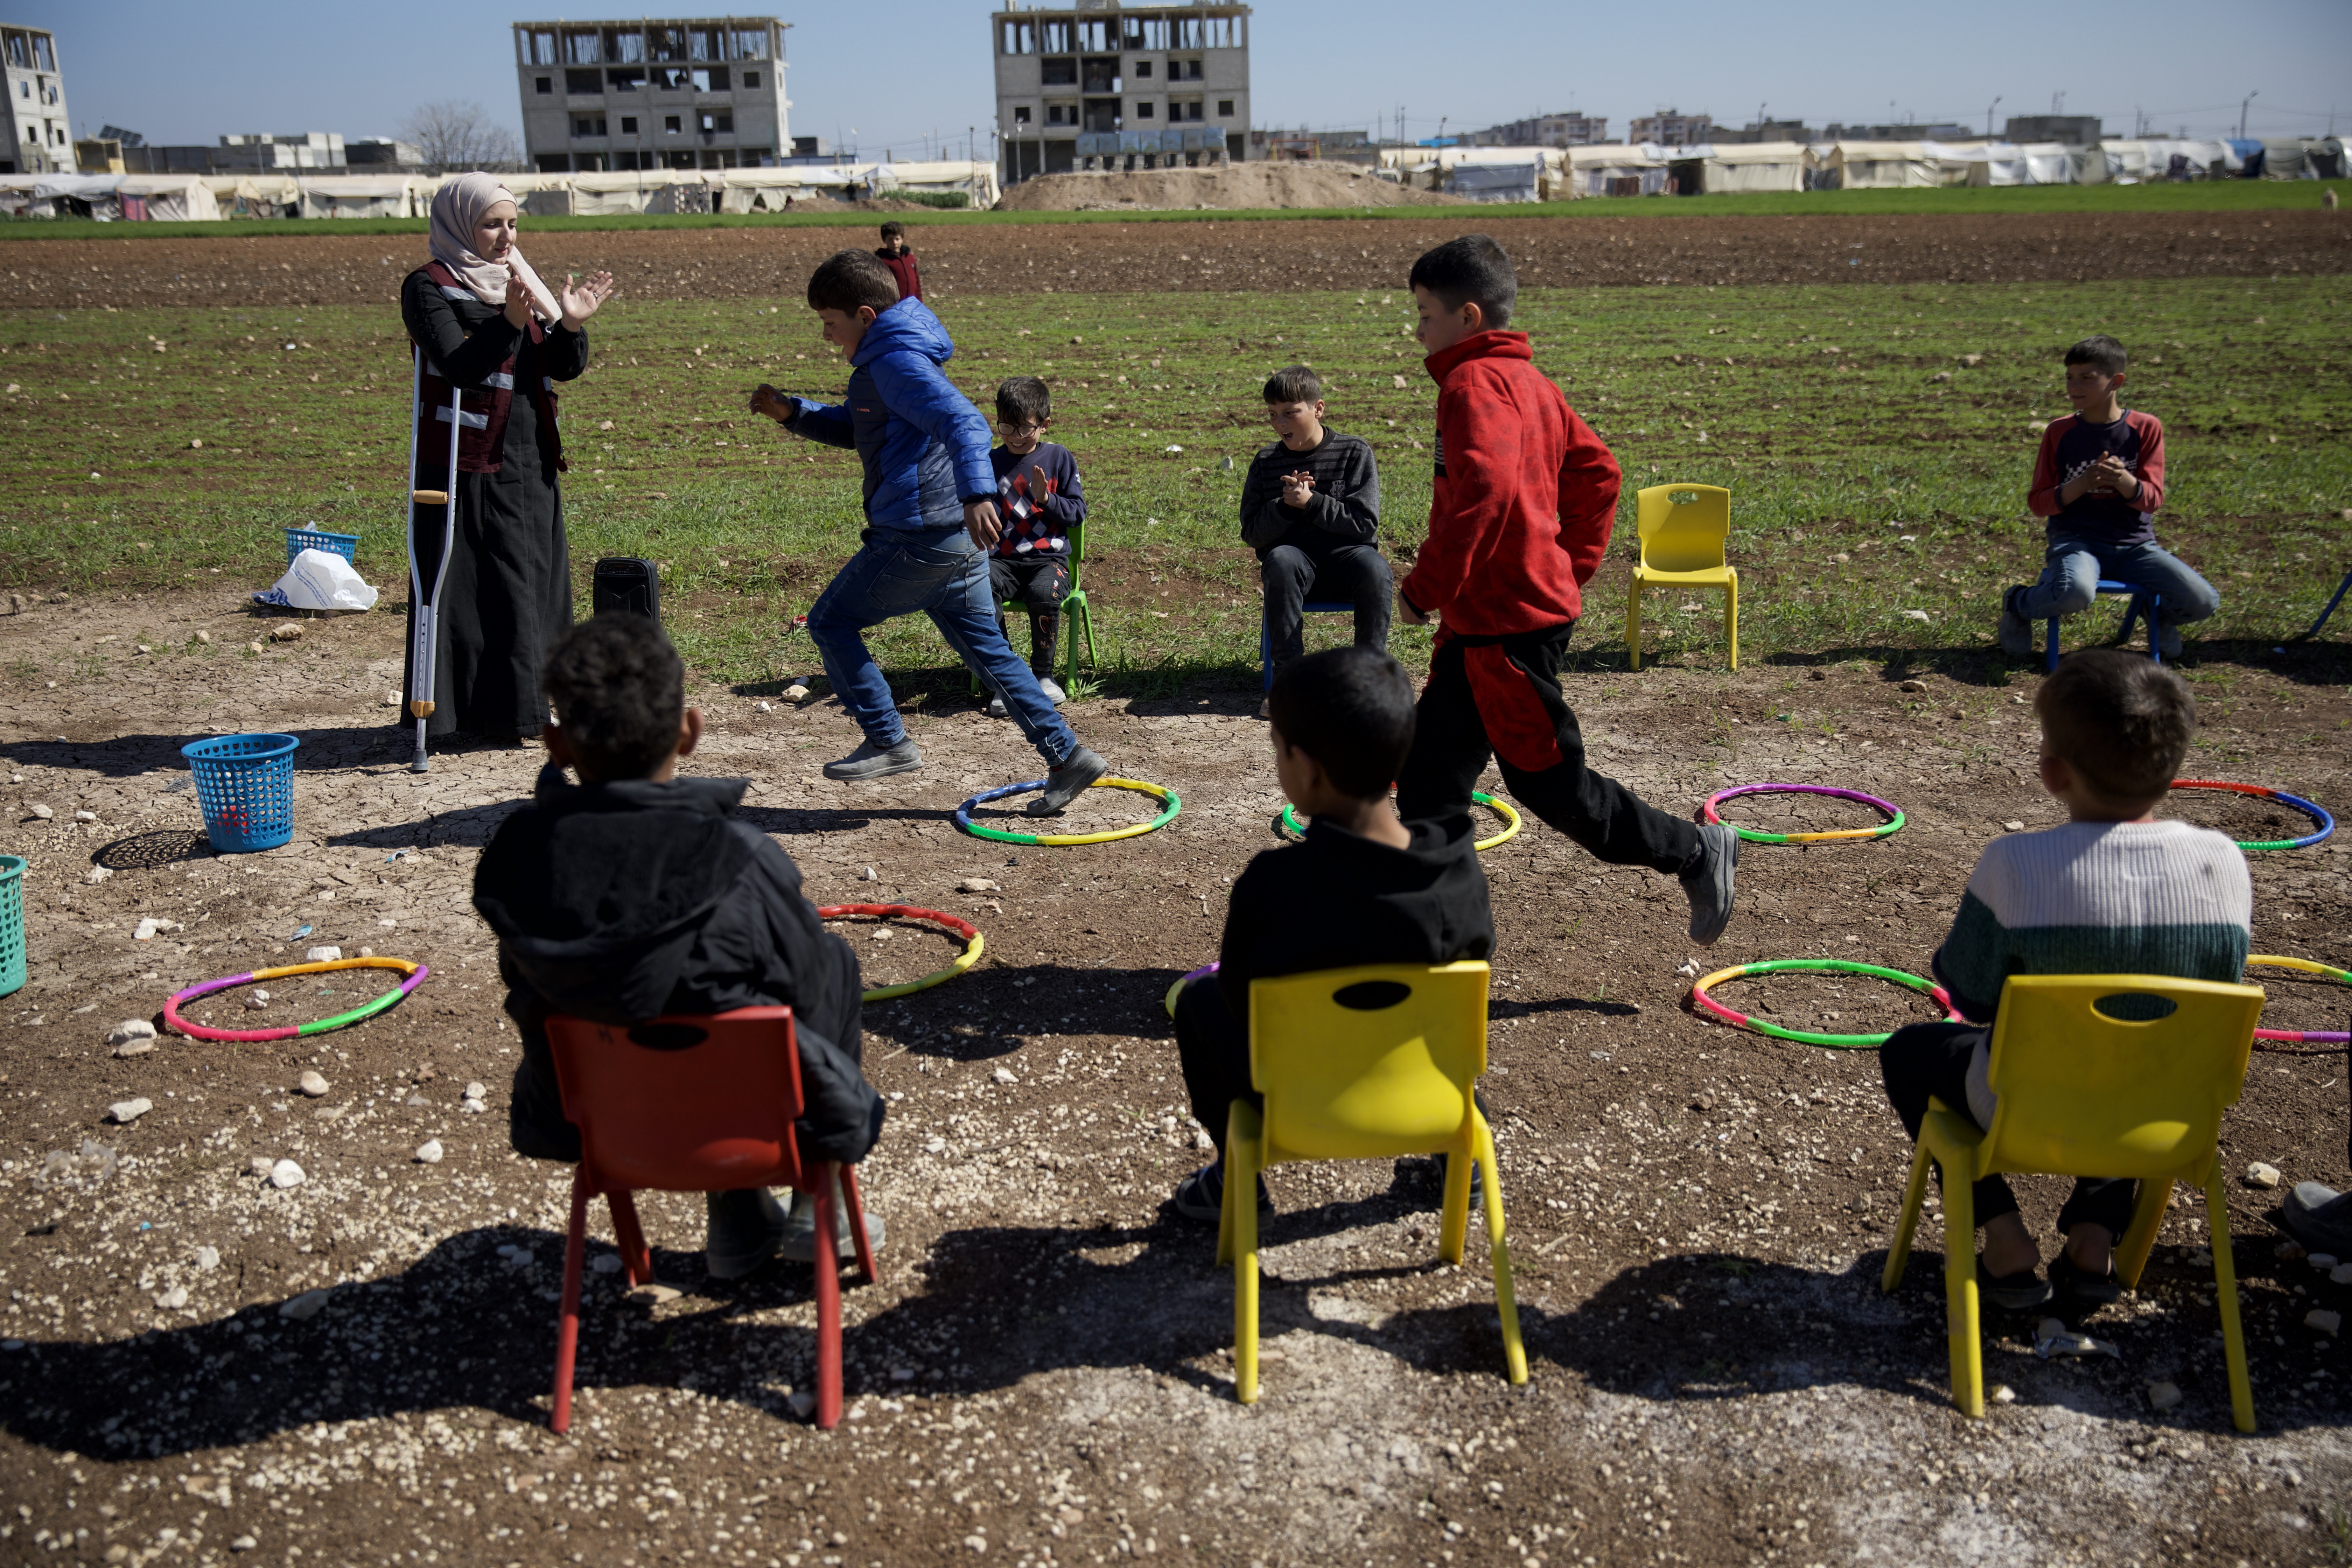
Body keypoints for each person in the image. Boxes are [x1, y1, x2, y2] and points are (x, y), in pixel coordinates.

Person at [473, 614, 887, 1276]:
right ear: (689, 732)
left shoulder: (517, 863)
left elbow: (522, 977)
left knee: (660, 1003)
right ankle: (819, 1189)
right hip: (749, 1115)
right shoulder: (741, 861)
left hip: (597, 1122)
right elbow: (805, 988)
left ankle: (738, 1215)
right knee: (827, 965)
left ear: (555, 743)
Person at [1388, 234, 1738, 946]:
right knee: (1428, 783)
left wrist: (1425, 586)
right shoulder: (1531, 382)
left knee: (1550, 785)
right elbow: (1599, 473)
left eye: (1425, 312)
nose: (1417, 328)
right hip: (1487, 622)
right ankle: (1427, 932)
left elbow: (1482, 492)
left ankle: (1694, 850)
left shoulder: (1472, 384)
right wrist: (1565, 564)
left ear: (1469, 315)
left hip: (1504, 627)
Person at [1878, 649, 2249, 1309]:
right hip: (2168, 1115)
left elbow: (1969, 999)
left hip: (2026, 1105)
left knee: (1909, 1052)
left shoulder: (2016, 866)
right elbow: (2215, 988)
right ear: (2175, 769)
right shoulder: (2224, 864)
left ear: (2052, 772)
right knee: (2135, 1052)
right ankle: (2093, 1240)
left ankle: (2003, 1236)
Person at [747, 250, 1106, 808]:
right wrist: (795, 413)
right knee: (992, 658)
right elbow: (864, 427)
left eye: (829, 323)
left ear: (865, 316)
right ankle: (1068, 756)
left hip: (918, 537)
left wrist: (978, 494)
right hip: (953, 544)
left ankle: (888, 740)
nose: (825, 336)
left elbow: (964, 420)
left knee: (831, 622)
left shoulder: (895, 363)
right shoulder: (890, 359)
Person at [1166, 647, 1495, 1221]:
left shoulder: (1272, 886)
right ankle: (1459, 1159)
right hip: (1427, 1091)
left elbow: (1240, 1000)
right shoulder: (1458, 868)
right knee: (1444, 1023)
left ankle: (1235, 1181)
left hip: (1302, 1100)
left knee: (1197, 1003)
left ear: (1307, 768)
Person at [400, 173, 614, 744]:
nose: (506, 236)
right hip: (465, 461)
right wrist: (509, 323)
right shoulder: (428, 287)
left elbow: (560, 366)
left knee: (535, 585)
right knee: (479, 588)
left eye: (513, 224)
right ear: (460, 224)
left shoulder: (521, 281)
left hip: (529, 457)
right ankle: (463, 714)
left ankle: (529, 708)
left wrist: (570, 322)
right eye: (492, 224)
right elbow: (458, 365)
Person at [1997, 334, 2219, 660]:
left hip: (2135, 545)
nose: (2074, 386)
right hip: (2076, 541)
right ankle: (2018, 604)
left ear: (2117, 381)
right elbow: (2039, 503)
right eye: (2070, 377)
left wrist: (2124, 481)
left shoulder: (2147, 428)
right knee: (2076, 594)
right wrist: (2084, 483)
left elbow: (2153, 500)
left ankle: (2157, 615)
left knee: (2203, 601)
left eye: (2087, 378)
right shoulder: (2059, 432)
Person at [1241, 364, 1389, 720]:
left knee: (1376, 569)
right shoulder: (1266, 462)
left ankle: (1367, 683)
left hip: (1347, 558)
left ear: (1318, 409)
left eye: (1291, 413)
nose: (1281, 423)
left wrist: (1314, 503)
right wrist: (1285, 507)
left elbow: (1365, 523)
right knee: (1281, 560)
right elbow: (1252, 533)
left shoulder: (1354, 452)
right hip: (1294, 566)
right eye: (1273, 415)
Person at [983, 375, 1085, 719]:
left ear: (1044, 424)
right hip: (1003, 561)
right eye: (1006, 428)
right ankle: (1008, 679)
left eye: (1024, 429)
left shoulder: (1059, 459)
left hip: (1048, 560)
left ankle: (1043, 674)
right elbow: (980, 510)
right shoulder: (991, 463)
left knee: (1045, 592)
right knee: (978, 587)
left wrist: (1046, 499)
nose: (1014, 437)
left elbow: (1077, 513)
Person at [876, 220, 921, 303]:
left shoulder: (910, 258)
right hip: (894, 305)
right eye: (890, 240)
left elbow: (917, 283)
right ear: (884, 241)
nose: (895, 243)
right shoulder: (882, 261)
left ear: (902, 239)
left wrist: (920, 303)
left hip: (913, 304)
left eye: (897, 239)